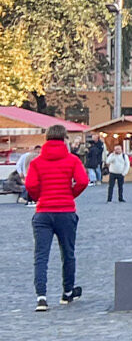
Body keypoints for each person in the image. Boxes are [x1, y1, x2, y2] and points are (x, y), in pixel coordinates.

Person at [24, 124, 88, 311]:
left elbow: (31, 185)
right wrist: (70, 194)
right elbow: (83, 181)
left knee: (41, 255)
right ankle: (67, 292)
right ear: (64, 139)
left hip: (43, 212)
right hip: (66, 211)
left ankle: (41, 297)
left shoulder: (36, 162)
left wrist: (39, 197)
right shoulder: (72, 160)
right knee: (68, 253)